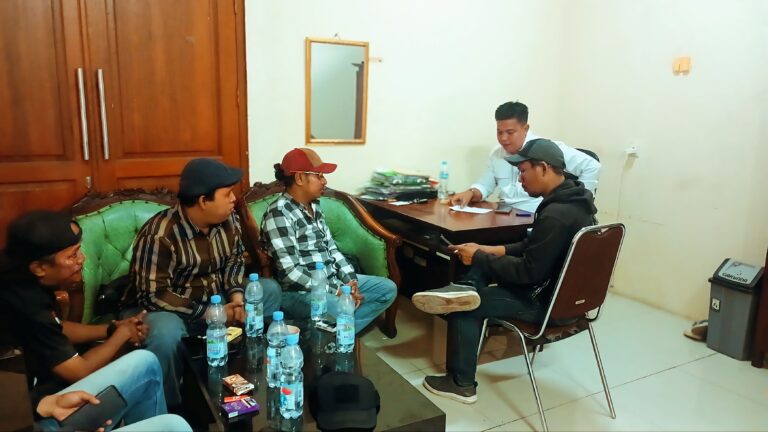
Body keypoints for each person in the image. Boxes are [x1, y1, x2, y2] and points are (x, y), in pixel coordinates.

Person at [412, 139, 598, 403]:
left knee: (465, 305)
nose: (520, 179)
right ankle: (463, 288)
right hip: (566, 295)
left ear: (543, 168)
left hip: (545, 303)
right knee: (482, 263)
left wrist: (479, 256)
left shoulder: (556, 215)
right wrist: (490, 250)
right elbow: (534, 246)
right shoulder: (576, 201)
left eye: (523, 171)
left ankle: (460, 383)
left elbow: (528, 272)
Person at [0, 211, 188, 430]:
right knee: (165, 404)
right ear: (39, 267)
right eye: (72, 256)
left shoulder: (20, 277)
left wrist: (110, 329)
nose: (82, 259)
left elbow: (56, 327)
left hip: (32, 401)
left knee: (146, 363)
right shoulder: (25, 303)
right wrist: (122, 335)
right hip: (28, 415)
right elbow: (79, 371)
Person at [120, 158, 282, 407]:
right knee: (165, 333)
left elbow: (234, 263)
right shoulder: (160, 234)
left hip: (215, 300)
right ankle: (171, 407)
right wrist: (209, 313)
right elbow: (154, 295)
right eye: (227, 194)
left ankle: (245, 366)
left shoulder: (229, 221)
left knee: (268, 290)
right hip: (167, 309)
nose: (234, 199)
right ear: (203, 201)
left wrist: (237, 300)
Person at [261, 148, 397, 333]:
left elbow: (332, 250)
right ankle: (338, 329)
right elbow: (290, 273)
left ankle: (337, 331)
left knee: (387, 289)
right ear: (299, 178)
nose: (324, 181)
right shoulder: (279, 213)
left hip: (332, 282)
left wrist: (350, 282)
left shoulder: (315, 207)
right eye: (319, 175)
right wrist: (337, 291)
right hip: (300, 292)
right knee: (338, 306)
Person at [451, 101, 601, 212]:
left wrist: (578, 204)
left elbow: (592, 166)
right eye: (499, 132)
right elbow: (485, 186)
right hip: (504, 217)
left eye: (510, 132)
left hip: (536, 218)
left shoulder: (546, 150)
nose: (503, 138)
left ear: (525, 128)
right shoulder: (497, 154)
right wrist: (470, 193)